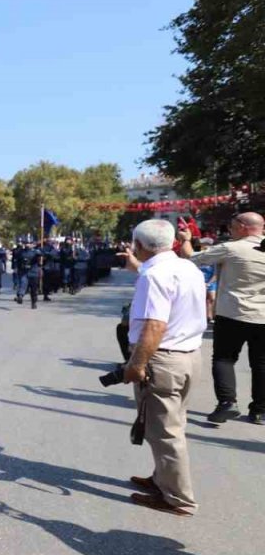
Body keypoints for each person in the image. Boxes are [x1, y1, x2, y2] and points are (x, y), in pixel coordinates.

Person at [117, 220, 207, 515]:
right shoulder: (186, 266)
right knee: (169, 424)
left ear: (139, 245)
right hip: (187, 355)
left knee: (165, 431)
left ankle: (178, 498)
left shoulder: (153, 276)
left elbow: (154, 326)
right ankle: (162, 479)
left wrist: (136, 363)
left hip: (162, 359)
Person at [175, 212, 265, 424]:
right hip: (263, 317)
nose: (230, 230)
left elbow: (191, 258)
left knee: (224, 359)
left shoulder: (232, 248)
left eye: (232, 226)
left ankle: (227, 402)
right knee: (261, 363)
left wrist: (186, 240)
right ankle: (260, 410)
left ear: (243, 227)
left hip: (232, 314)